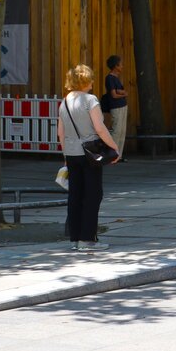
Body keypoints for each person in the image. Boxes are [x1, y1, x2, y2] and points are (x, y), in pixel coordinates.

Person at [57, 64, 119, 252]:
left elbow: (61, 132)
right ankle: (88, 239)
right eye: (91, 78)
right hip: (89, 154)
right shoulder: (90, 100)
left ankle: (75, 238)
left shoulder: (65, 101)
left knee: (75, 195)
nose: (93, 81)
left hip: (72, 153)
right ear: (85, 81)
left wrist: (65, 155)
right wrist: (114, 146)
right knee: (93, 195)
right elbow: (99, 128)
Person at [103, 54, 128, 161]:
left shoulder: (116, 78)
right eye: (120, 65)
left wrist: (121, 92)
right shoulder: (109, 78)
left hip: (122, 105)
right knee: (116, 131)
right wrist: (123, 94)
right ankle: (111, 155)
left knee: (122, 131)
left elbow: (119, 90)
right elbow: (114, 94)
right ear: (115, 66)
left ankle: (118, 156)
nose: (122, 66)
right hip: (116, 106)